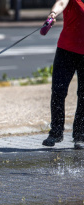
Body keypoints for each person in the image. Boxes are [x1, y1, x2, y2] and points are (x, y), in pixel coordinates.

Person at [42, 0, 84, 149]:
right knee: (58, 91)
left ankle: (80, 135)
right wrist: (53, 15)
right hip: (66, 50)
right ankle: (56, 133)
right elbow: (61, 2)